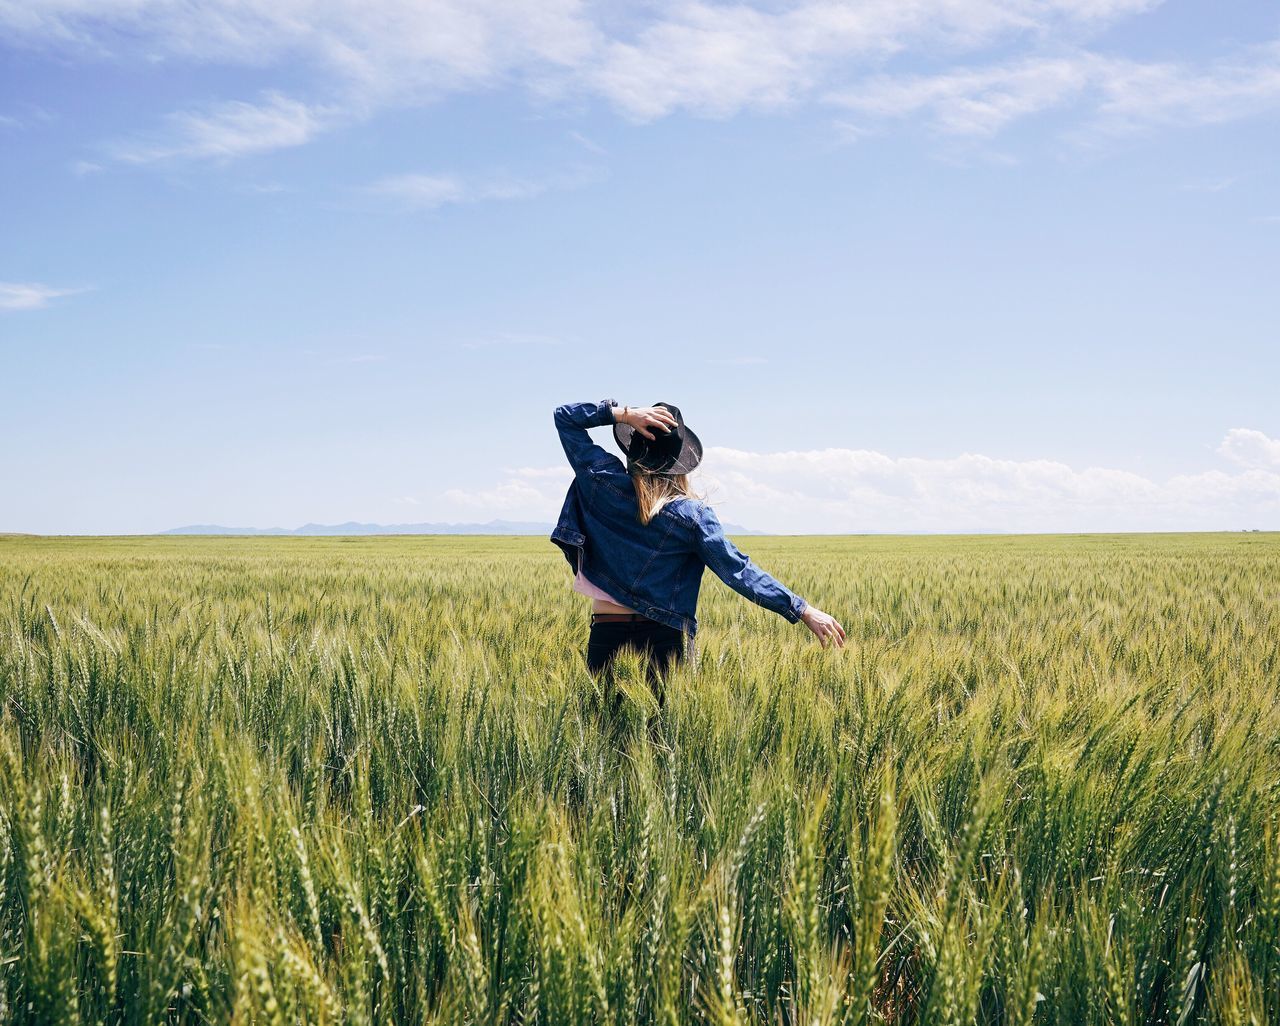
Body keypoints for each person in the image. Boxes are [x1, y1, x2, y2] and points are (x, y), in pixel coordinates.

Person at [550, 399, 845, 703]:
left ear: (633, 449)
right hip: (663, 639)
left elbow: (564, 418)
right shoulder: (691, 517)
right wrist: (802, 609)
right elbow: (738, 570)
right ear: (679, 464)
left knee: (602, 738)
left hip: (606, 633)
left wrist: (624, 414)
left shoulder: (601, 480)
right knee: (659, 741)